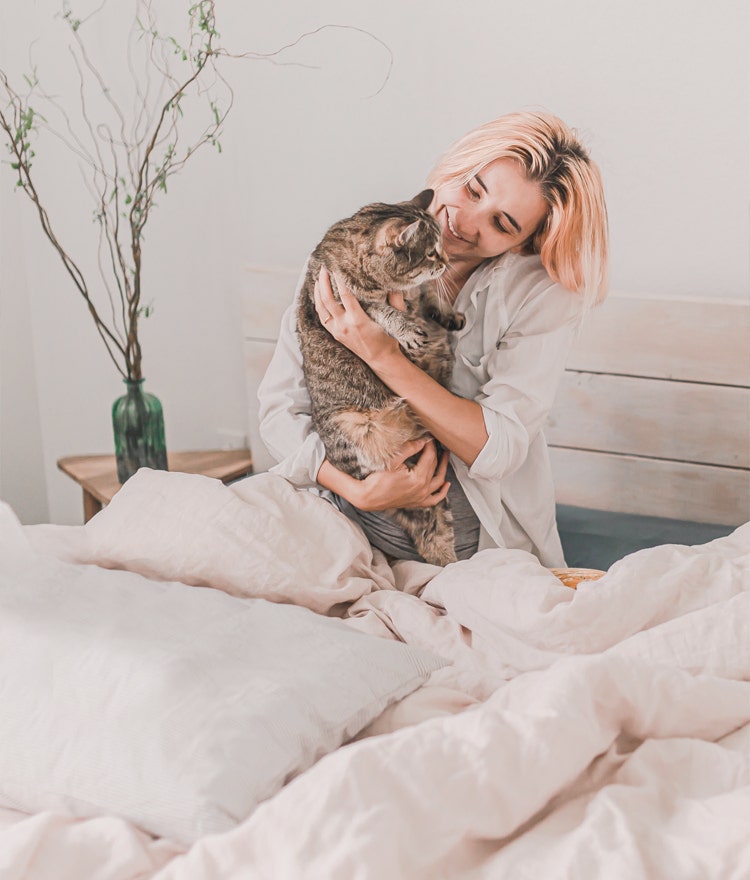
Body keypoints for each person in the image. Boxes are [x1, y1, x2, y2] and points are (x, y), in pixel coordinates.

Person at [258, 110, 609, 567]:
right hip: (343, 501)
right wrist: (357, 490)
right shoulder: (356, 249)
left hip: (461, 524)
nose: (464, 222)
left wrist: (383, 356)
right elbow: (279, 409)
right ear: (456, 165)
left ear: (522, 245)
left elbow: (499, 449)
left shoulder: (542, 295)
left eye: (502, 224)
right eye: (472, 188)